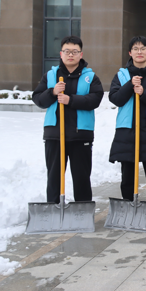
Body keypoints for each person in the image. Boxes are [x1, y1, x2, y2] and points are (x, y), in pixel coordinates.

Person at [33, 36, 104, 203]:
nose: (70, 55)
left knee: (82, 177)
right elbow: (38, 99)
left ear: (81, 54)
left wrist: (70, 100)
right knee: (54, 177)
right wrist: (52, 92)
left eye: (74, 51)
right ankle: (54, 208)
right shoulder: (51, 75)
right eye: (67, 51)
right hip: (55, 134)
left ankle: (82, 209)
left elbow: (95, 99)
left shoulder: (90, 77)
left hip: (81, 134)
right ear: (61, 53)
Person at [108, 36, 146, 203]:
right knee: (127, 173)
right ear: (130, 52)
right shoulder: (121, 75)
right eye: (135, 49)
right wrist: (129, 85)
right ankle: (128, 205)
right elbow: (116, 99)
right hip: (127, 130)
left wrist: (143, 93)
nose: (139, 52)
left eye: (143, 49)